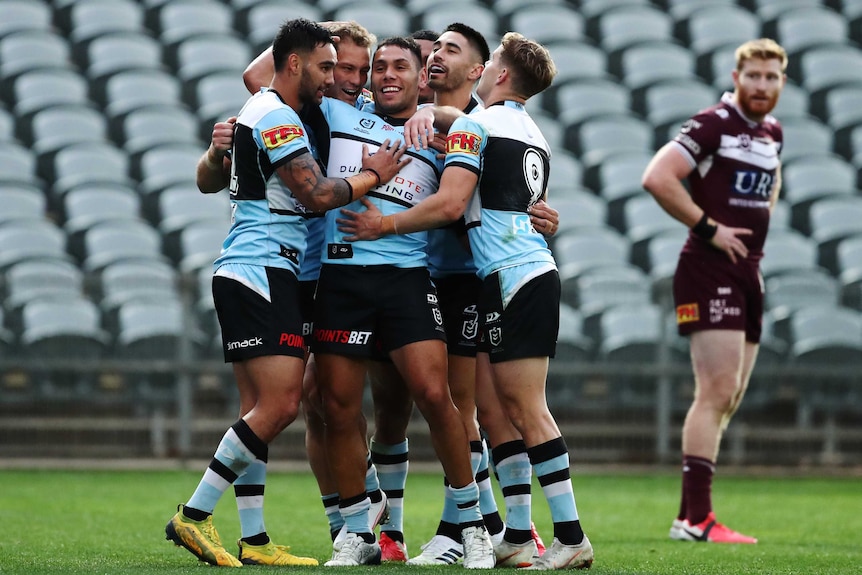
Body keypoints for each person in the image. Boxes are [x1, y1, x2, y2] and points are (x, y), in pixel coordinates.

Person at [337, 32, 594, 571]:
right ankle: (517, 534)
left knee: (521, 408)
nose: (439, 59)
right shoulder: (530, 131)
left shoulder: (479, 123)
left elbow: (453, 202)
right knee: (496, 408)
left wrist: (382, 223)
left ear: (493, 73)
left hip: (506, 275)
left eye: (480, 59)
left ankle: (567, 536)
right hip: (513, 273)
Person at [164, 18, 407, 567]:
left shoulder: (281, 113)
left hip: (268, 270)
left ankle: (254, 540)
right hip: (264, 269)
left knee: (260, 410)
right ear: (295, 63)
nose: (337, 79)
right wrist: (374, 175)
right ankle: (195, 515)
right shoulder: (277, 115)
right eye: (328, 66)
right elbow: (318, 193)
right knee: (280, 405)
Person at [310, 36, 495, 568]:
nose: (387, 74)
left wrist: (537, 210)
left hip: (408, 280)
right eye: (378, 67)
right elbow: (261, 78)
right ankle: (356, 532)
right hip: (341, 278)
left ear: (422, 77)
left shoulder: (450, 131)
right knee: (340, 408)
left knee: (437, 398)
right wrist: (324, 34)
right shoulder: (341, 114)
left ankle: (473, 524)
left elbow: (474, 198)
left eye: (400, 66)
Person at [641, 38, 787, 545]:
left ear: (782, 82)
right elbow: (658, 178)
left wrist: (752, 253)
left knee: (730, 397)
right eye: (754, 76)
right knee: (716, 391)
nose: (762, 86)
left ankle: (693, 516)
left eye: (772, 77)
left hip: (748, 271)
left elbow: (769, 195)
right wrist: (710, 229)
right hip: (708, 266)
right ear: (736, 76)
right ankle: (696, 519)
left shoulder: (772, 133)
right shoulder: (712, 124)